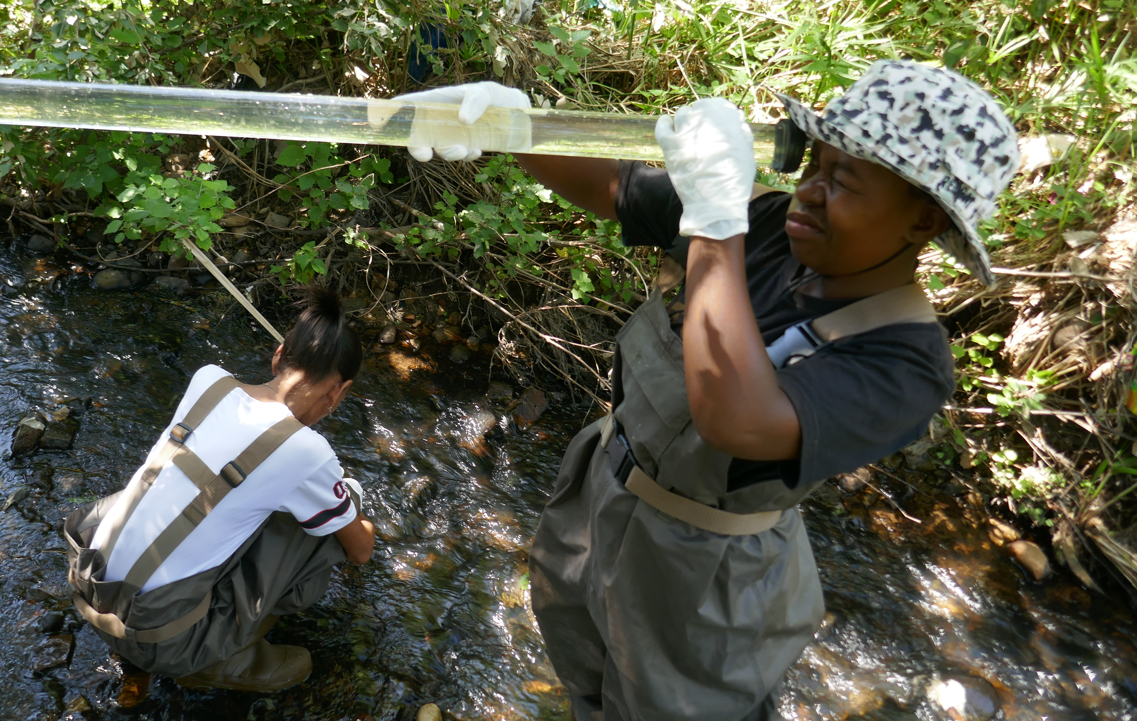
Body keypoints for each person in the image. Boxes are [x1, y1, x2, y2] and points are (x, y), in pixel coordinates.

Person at [399, 61, 1019, 720]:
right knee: (583, 663)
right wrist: (512, 125)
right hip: (603, 498)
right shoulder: (772, 230)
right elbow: (619, 186)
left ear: (922, 223)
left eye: (842, 181)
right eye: (814, 164)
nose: (808, 190)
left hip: (705, 581)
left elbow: (737, 418)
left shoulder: (907, 361)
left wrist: (716, 218)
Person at [64, 286, 375, 703]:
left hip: (88, 590)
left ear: (279, 354)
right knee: (336, 514)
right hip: (160, 638)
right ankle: (208, 661)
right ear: (339, 392)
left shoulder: (209, 380)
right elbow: (361, 551)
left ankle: (162, 649)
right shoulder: (308, 451)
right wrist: (354, 512)